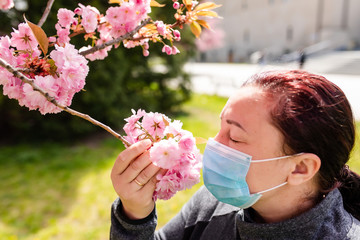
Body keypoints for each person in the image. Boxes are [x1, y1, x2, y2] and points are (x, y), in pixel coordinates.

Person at [110, 70, 360, 239]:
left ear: (301, 168)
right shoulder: (213, 204)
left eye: (235, 137)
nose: (213, 144)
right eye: (221, 128)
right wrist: (135, 214)